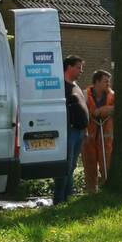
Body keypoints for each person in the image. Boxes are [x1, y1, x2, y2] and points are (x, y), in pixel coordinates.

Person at [53, 55, 88, 204]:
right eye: (78, 67)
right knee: (64, 167)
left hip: (79, 132)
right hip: (68, 132)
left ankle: (68, 199)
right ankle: (59, 200)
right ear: (69, 67)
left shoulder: (75, 85)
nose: (81, 71)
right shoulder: (60, 86)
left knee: (72, 166)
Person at [81, 69, 115, 193]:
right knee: (89, 165)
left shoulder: (112, 95)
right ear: (97, 82)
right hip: (89, 137)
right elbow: (80, 110)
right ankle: (91, 191)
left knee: (107, 164)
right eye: (106, 81)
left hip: (105, 138)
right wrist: (91, 114)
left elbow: (118, 108)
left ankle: (107, 189)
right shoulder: (84, 94)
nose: (108, 84)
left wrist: (107, 109)